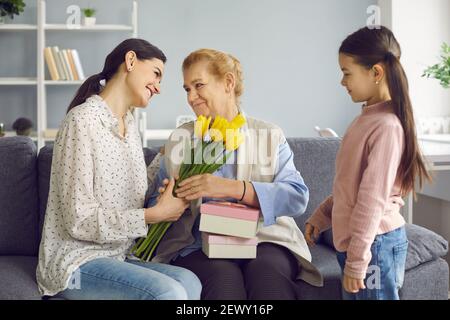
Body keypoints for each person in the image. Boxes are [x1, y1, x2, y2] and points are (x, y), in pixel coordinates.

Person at [147, 48, 322, 300]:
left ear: (228, 82)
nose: (191, 97)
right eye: (187, 89)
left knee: (268, 278)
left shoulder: (269, 135)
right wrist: (167, 201)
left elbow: (297, 197)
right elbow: (154, 206)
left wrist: (229, 188)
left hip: (263, 238)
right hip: (198, 243)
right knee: (223, 281)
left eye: (199, 85)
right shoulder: (180, 140)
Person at [36, 38, 202, 300]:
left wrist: (166, 174)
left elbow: (128, 195)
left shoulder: (129, 125)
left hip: (119, 256)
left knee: (190, 282)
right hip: (76, 262)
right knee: (168, 293)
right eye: (156, 74)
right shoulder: (82, 121)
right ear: (131, 60)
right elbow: (79, 220)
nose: (158, 88)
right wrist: (152, 215)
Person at [305, 26, 431, 300]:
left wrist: (358, 261)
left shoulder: (386, 127)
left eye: (347, 72)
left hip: (375, 245)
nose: (342, 81)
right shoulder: (367, 119)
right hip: (362, 245)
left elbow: (372, 200)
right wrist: (323, 215)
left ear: (376, 73)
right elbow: (351, 187)